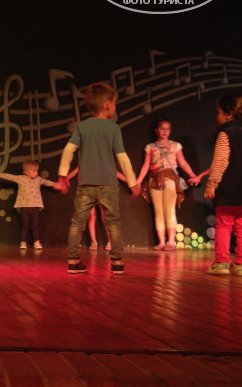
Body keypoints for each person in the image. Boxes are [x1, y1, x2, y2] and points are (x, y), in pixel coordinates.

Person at [57, 82, 140, 275]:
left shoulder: (82, 127)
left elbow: (68, 150)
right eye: (115, 103)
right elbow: (122, 157)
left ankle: (73, 261)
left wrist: (62, 176)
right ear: (108, 105)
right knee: (113, 223)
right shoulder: (113, 128)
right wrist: (133, 182)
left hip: (85, 185)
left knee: (77, 223)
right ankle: (117, 263)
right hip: (108, 186)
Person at [136, 118, 197, 251]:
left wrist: (192, 175)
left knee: (169, 210)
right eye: (162, 128)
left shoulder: (175, 145)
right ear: (156, 130)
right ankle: (161, 242)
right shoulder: (150, 147)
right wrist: (139, 181)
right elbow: (146, 165)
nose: (165, 131)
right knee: (158, 211)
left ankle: (171, 242)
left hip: (169, 178)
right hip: (154, 179)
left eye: (167, 129)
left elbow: (182, 162)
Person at [203, 93, 242, 275]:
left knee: (224, 225)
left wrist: (212, 184)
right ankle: (240, 264)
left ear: (229, 114)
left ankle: (221, 262)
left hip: (228, 190)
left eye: (218, 112)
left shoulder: (226, 133)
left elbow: (220, 161)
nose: (216, 116)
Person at [0, 160, 60, 249]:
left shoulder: (38, 179)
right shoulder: (21, 178)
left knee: (35, 226)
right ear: (26, 172)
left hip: (35, 207)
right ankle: (23, 242)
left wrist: (55, 184)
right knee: (25, 225)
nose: (36, 173)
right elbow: (9, 176)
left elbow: (46, 182)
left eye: (37, 170)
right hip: (25, 207)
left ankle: (36, 242)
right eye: (34, 171)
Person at [67, 166, 127, 250]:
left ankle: (110, 242)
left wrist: (130, 182)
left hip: (102, 190)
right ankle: (94, 242)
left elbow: (115, 172)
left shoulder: (102, 163)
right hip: (88, 190)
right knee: (92, 217)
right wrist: (64, 179)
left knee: (105, 217)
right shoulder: (85, 163)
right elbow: (76, 170)